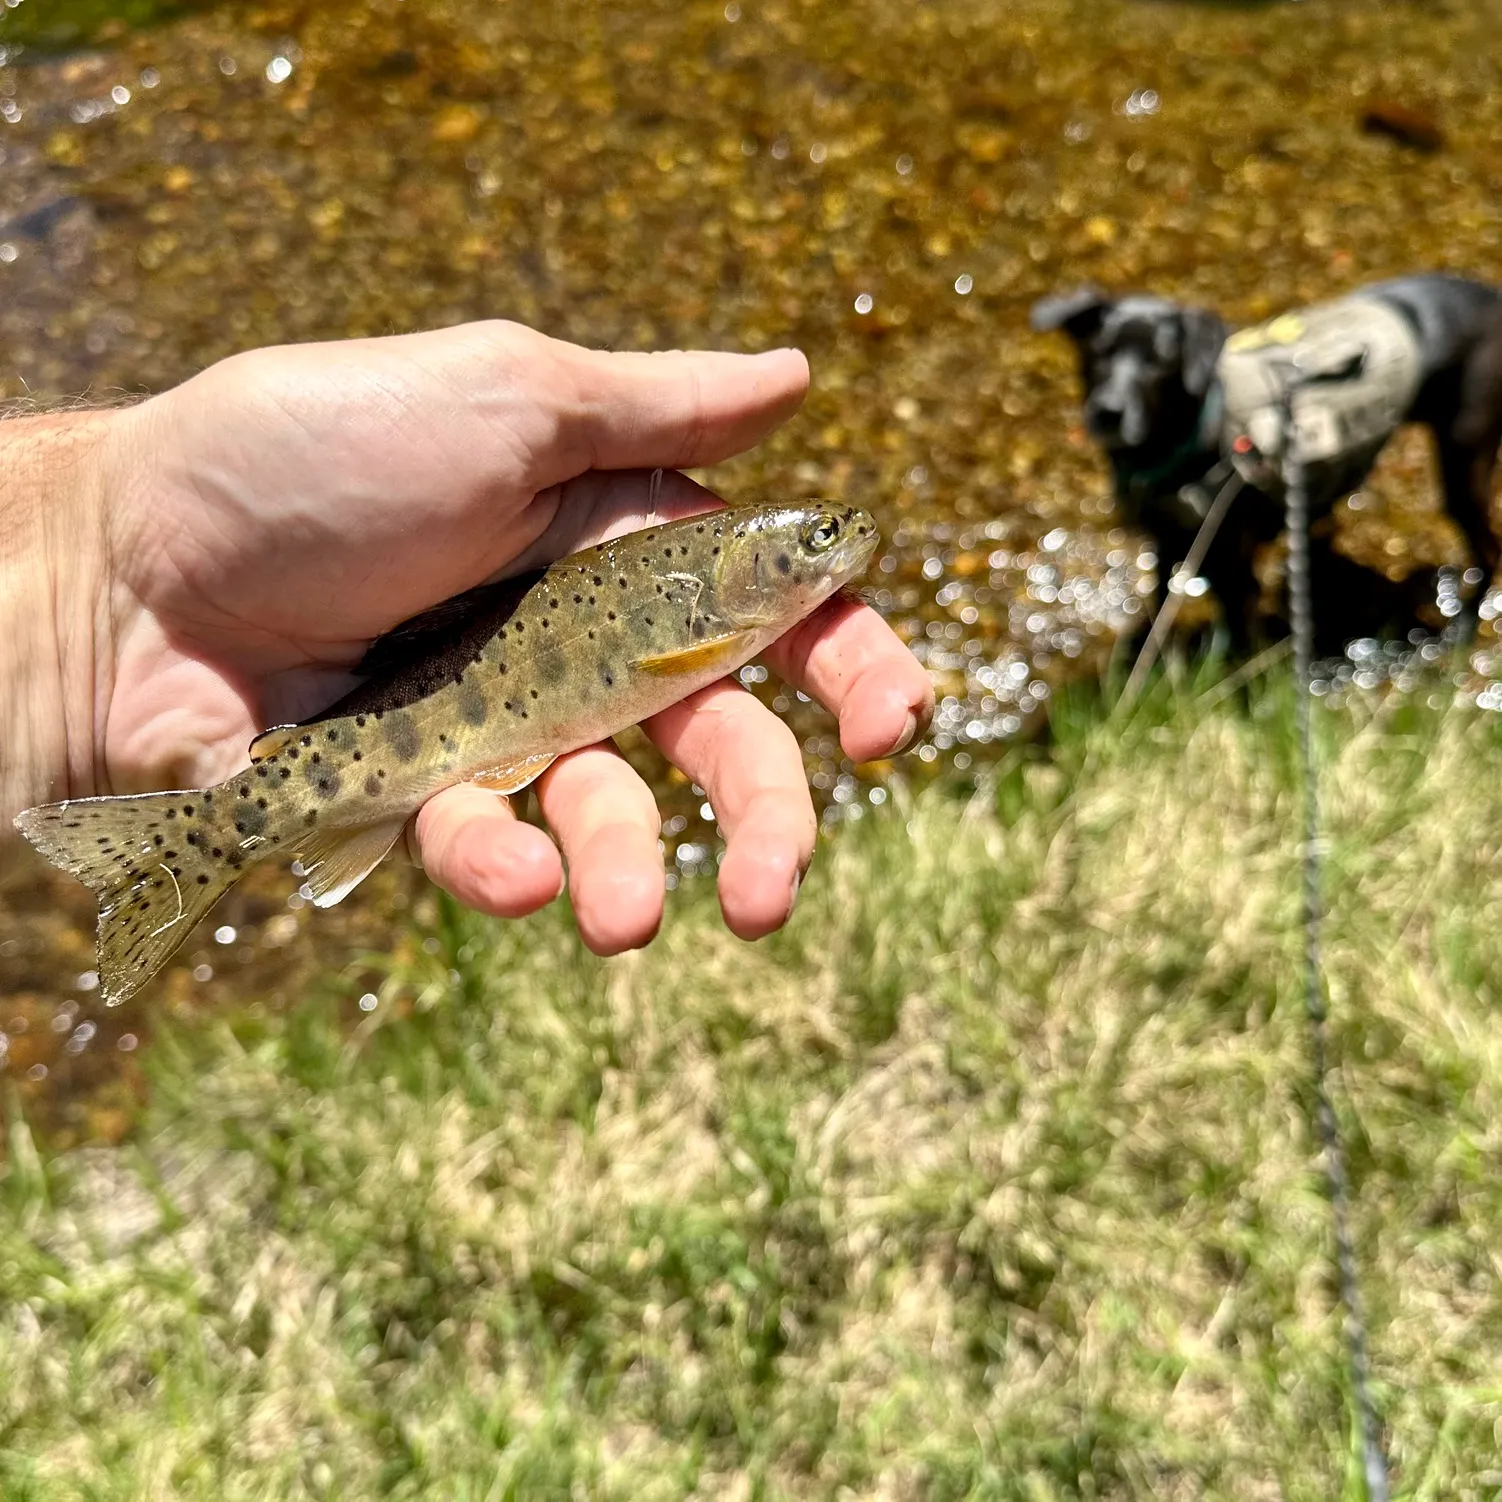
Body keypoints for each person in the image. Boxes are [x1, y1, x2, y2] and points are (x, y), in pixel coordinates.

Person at [0, 319, 933, 955]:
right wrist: (98, 544)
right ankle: (201, 842)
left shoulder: (711, 601)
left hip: (372, 735)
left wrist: (86, 555)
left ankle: (199, 844)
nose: (840, 544)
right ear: (741, 573)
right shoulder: (705, 609)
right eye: (815, 541)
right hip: (377, 732)